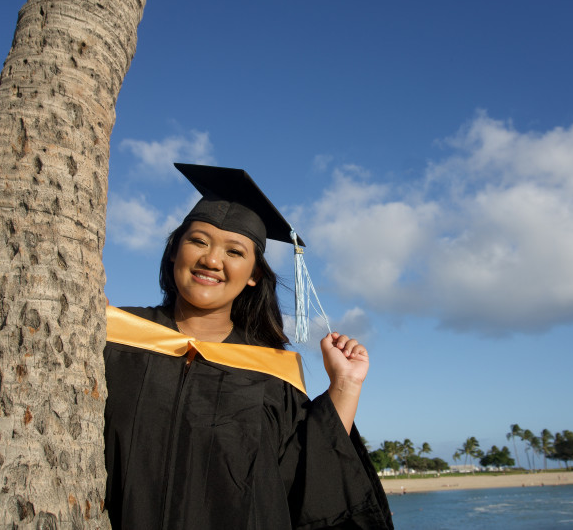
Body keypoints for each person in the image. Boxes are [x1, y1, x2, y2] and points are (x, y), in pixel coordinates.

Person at [103, 164, 393, 529]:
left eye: (235, 252)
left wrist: (346, 385)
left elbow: (307, 482)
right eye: (198, 241)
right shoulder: (112, 333)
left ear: (255, 274)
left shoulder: (271, 372)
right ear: (174, 251)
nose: (211, 260)